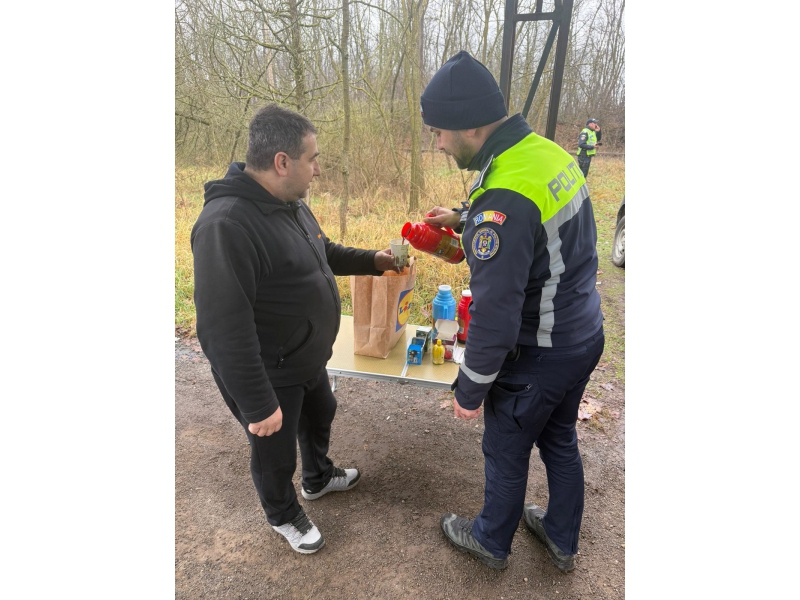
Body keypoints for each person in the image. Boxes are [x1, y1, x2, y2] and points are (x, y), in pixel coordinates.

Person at [420, 51, 605, 572]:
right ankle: (562, 538)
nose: (437, 144)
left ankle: (490, 541)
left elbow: (496, 314)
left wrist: (471, 389)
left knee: (505, 447)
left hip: (540, 351)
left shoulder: (504, 196)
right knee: (559, 438)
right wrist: (465, 216)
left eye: (439, 132)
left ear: (470, 125)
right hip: (583, 333)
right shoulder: (543, 154)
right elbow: (533, 226)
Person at [191, 104, 399, 555]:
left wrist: (373, 261)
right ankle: (282, 514)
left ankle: (318, 478)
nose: (318, 169)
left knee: (322, 411)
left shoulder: (290, 205)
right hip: (271, 371)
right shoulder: (226, 225)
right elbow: (221, 328)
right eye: (312, 159)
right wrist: (258, 403)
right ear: (282, 162)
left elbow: (323, 252)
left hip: (306, 356)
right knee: (274, 453)